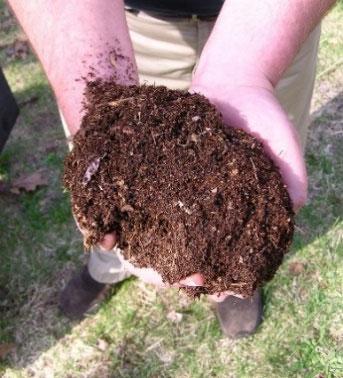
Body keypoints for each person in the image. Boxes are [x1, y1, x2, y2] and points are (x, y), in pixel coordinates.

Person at [8, 0, 336, 339]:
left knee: (260, 178)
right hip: (115, 26)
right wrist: (102, 103)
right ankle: (107, 266)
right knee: (105, 184)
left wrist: (247, 71)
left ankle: (235, 281)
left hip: (273, 22)